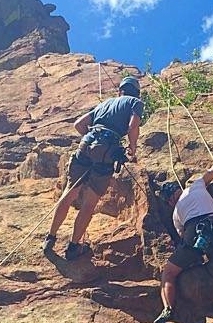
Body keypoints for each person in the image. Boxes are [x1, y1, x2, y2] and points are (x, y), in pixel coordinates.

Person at [43, 75, 144, 261]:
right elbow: (133, 126)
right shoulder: (135, 102)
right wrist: (132, 148)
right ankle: (73, 247)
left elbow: (78, 124)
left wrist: (90, 138)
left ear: (119, 90)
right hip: (107, 150)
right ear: (136, 92)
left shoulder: (104, 104)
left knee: (69, 193)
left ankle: (50, 238)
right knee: (89, 203)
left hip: (86, 144)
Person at [154, 165, 213, 323]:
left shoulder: (176, 213)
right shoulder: (196, 186)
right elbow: (211, 172)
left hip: (194, 231)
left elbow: (183, 237)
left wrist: (192, 255)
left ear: (170, 200)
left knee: (169, 273)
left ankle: (168, 308)